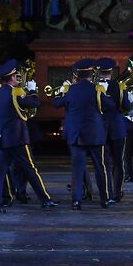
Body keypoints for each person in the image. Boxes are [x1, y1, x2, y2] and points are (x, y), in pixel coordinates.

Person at [0, 59, 55, 212]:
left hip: (2, 138)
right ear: (11, 77)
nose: (18, 78)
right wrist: (32, 91)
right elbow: (35, 104)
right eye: (16, 76)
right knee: (30, 169)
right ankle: (45, 199)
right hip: (17, 138)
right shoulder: (15, 93)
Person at [55, 58, 115, 209]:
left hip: (76, 135)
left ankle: (76, 200)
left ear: (77, 75)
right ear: (91, 74)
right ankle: (105, 199)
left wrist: (59, 93)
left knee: (77, 169)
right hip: (95, 135)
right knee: (100, 168)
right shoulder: (96, 90)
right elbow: (110, 106)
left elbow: (57, 104)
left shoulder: (70, 90)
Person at [98, 57, 129, 202]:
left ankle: (107, 192)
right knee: (118, 161)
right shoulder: (118, 86)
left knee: (104, 163)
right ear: (111, 72)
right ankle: (117, 192)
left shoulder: (94, 87)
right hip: (117, 128)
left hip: (100, 129)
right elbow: (127, 106)